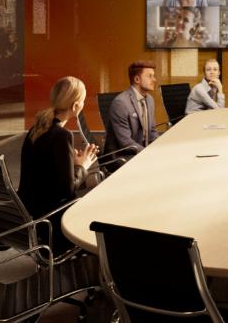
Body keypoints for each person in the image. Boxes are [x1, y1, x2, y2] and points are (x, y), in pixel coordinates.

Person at [18, 76, 100, 251]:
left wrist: (70, 160)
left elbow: (45, 173)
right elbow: (66, 190)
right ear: (76, 105)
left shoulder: (37, 129)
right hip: (53, 222)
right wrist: (82, 165)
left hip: (32, 213)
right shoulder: (62, 136)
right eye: (83, 101)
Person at [105, 60, 159, 160]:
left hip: (141, 152)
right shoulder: (121, 103)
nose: (154, 80)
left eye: (153, 76)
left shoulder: (150, 99)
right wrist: (149, 154)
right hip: (121, 156)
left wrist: (159, 148)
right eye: (149, 76)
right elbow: (125, 142)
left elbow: (152, 131)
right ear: (137, 79)